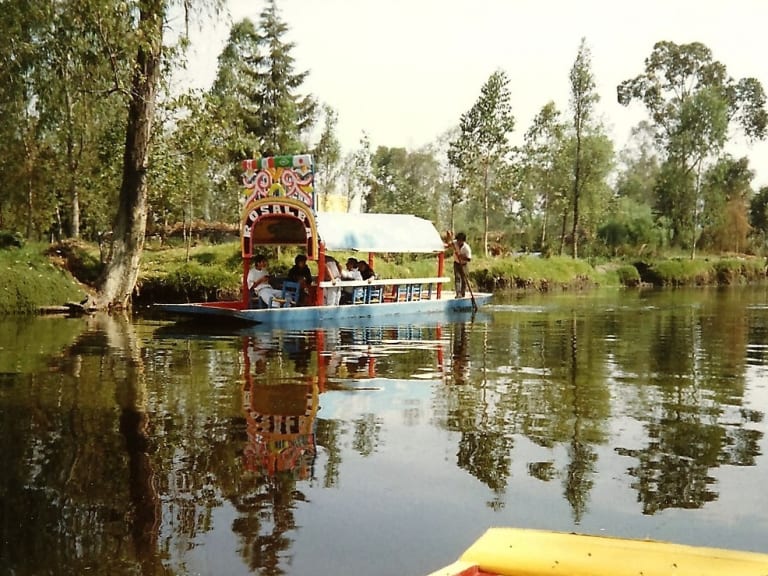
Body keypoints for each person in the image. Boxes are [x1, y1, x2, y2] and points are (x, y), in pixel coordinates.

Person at [447, 231, 472, 298]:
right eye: (458, 240)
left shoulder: (467, 248)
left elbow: (469, 259)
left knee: (464, 279)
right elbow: (448, 245)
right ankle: (458, 294)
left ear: (463, 241)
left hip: (464, 264)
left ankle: (462, 293)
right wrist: (449, 237)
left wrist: (461, 256)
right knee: (457, 278)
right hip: (456, 263)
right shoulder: (454, 243)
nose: (458, 242)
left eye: (460, 241)